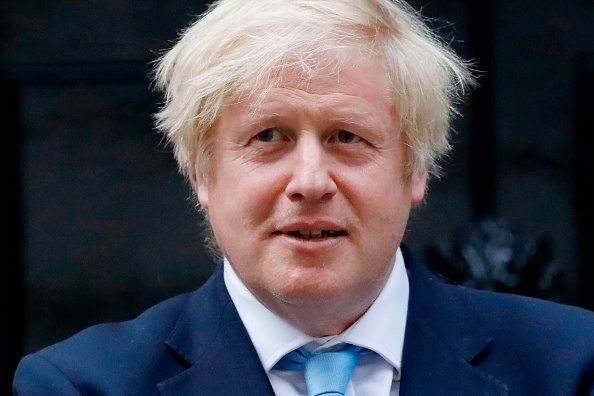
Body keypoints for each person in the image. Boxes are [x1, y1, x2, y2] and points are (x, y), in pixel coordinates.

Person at [12, 0, 594, 394]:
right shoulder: (79, 386)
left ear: (415, 168)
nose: (310, 182)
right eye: (269, 137)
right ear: (201, 174)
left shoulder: (572, 366)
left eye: (348, 137)